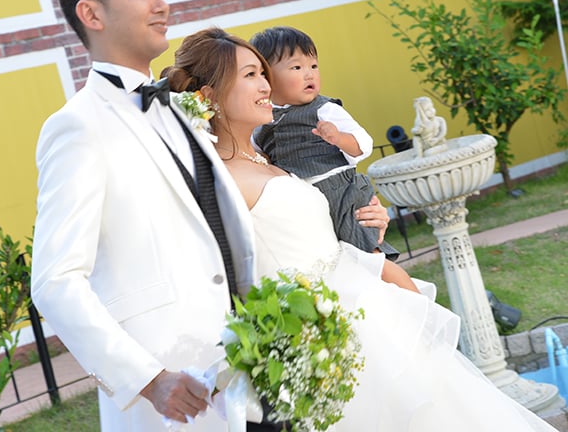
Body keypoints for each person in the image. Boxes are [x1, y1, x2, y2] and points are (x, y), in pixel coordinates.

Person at [30, 0, 388, 432]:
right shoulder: (78, 127)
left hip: (249, 376)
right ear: (92, 14)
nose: (161, 4)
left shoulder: (182, 115)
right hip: (171, 389)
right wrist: (149, 380)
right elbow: (55, 282)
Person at [163, 26, 557, 432]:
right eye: (250, 75)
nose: (266, 85)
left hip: (367, 312)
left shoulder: (269, 154)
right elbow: (213, 278)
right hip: (321, 338)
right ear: (209, 96)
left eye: (264, 73)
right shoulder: (219, 180)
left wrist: (369, 217)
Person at [249, 25, 417, 292]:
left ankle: (408, 296)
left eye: (313, 66)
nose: (309, 74)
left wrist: (339, 138)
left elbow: (363, 144)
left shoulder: (324, 110)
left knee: (368, 257)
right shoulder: (262, 123)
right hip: (308, 197)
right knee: (337, 261)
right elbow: (258, 156)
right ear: (267, 77)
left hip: (340, 191)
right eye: (296, 67)